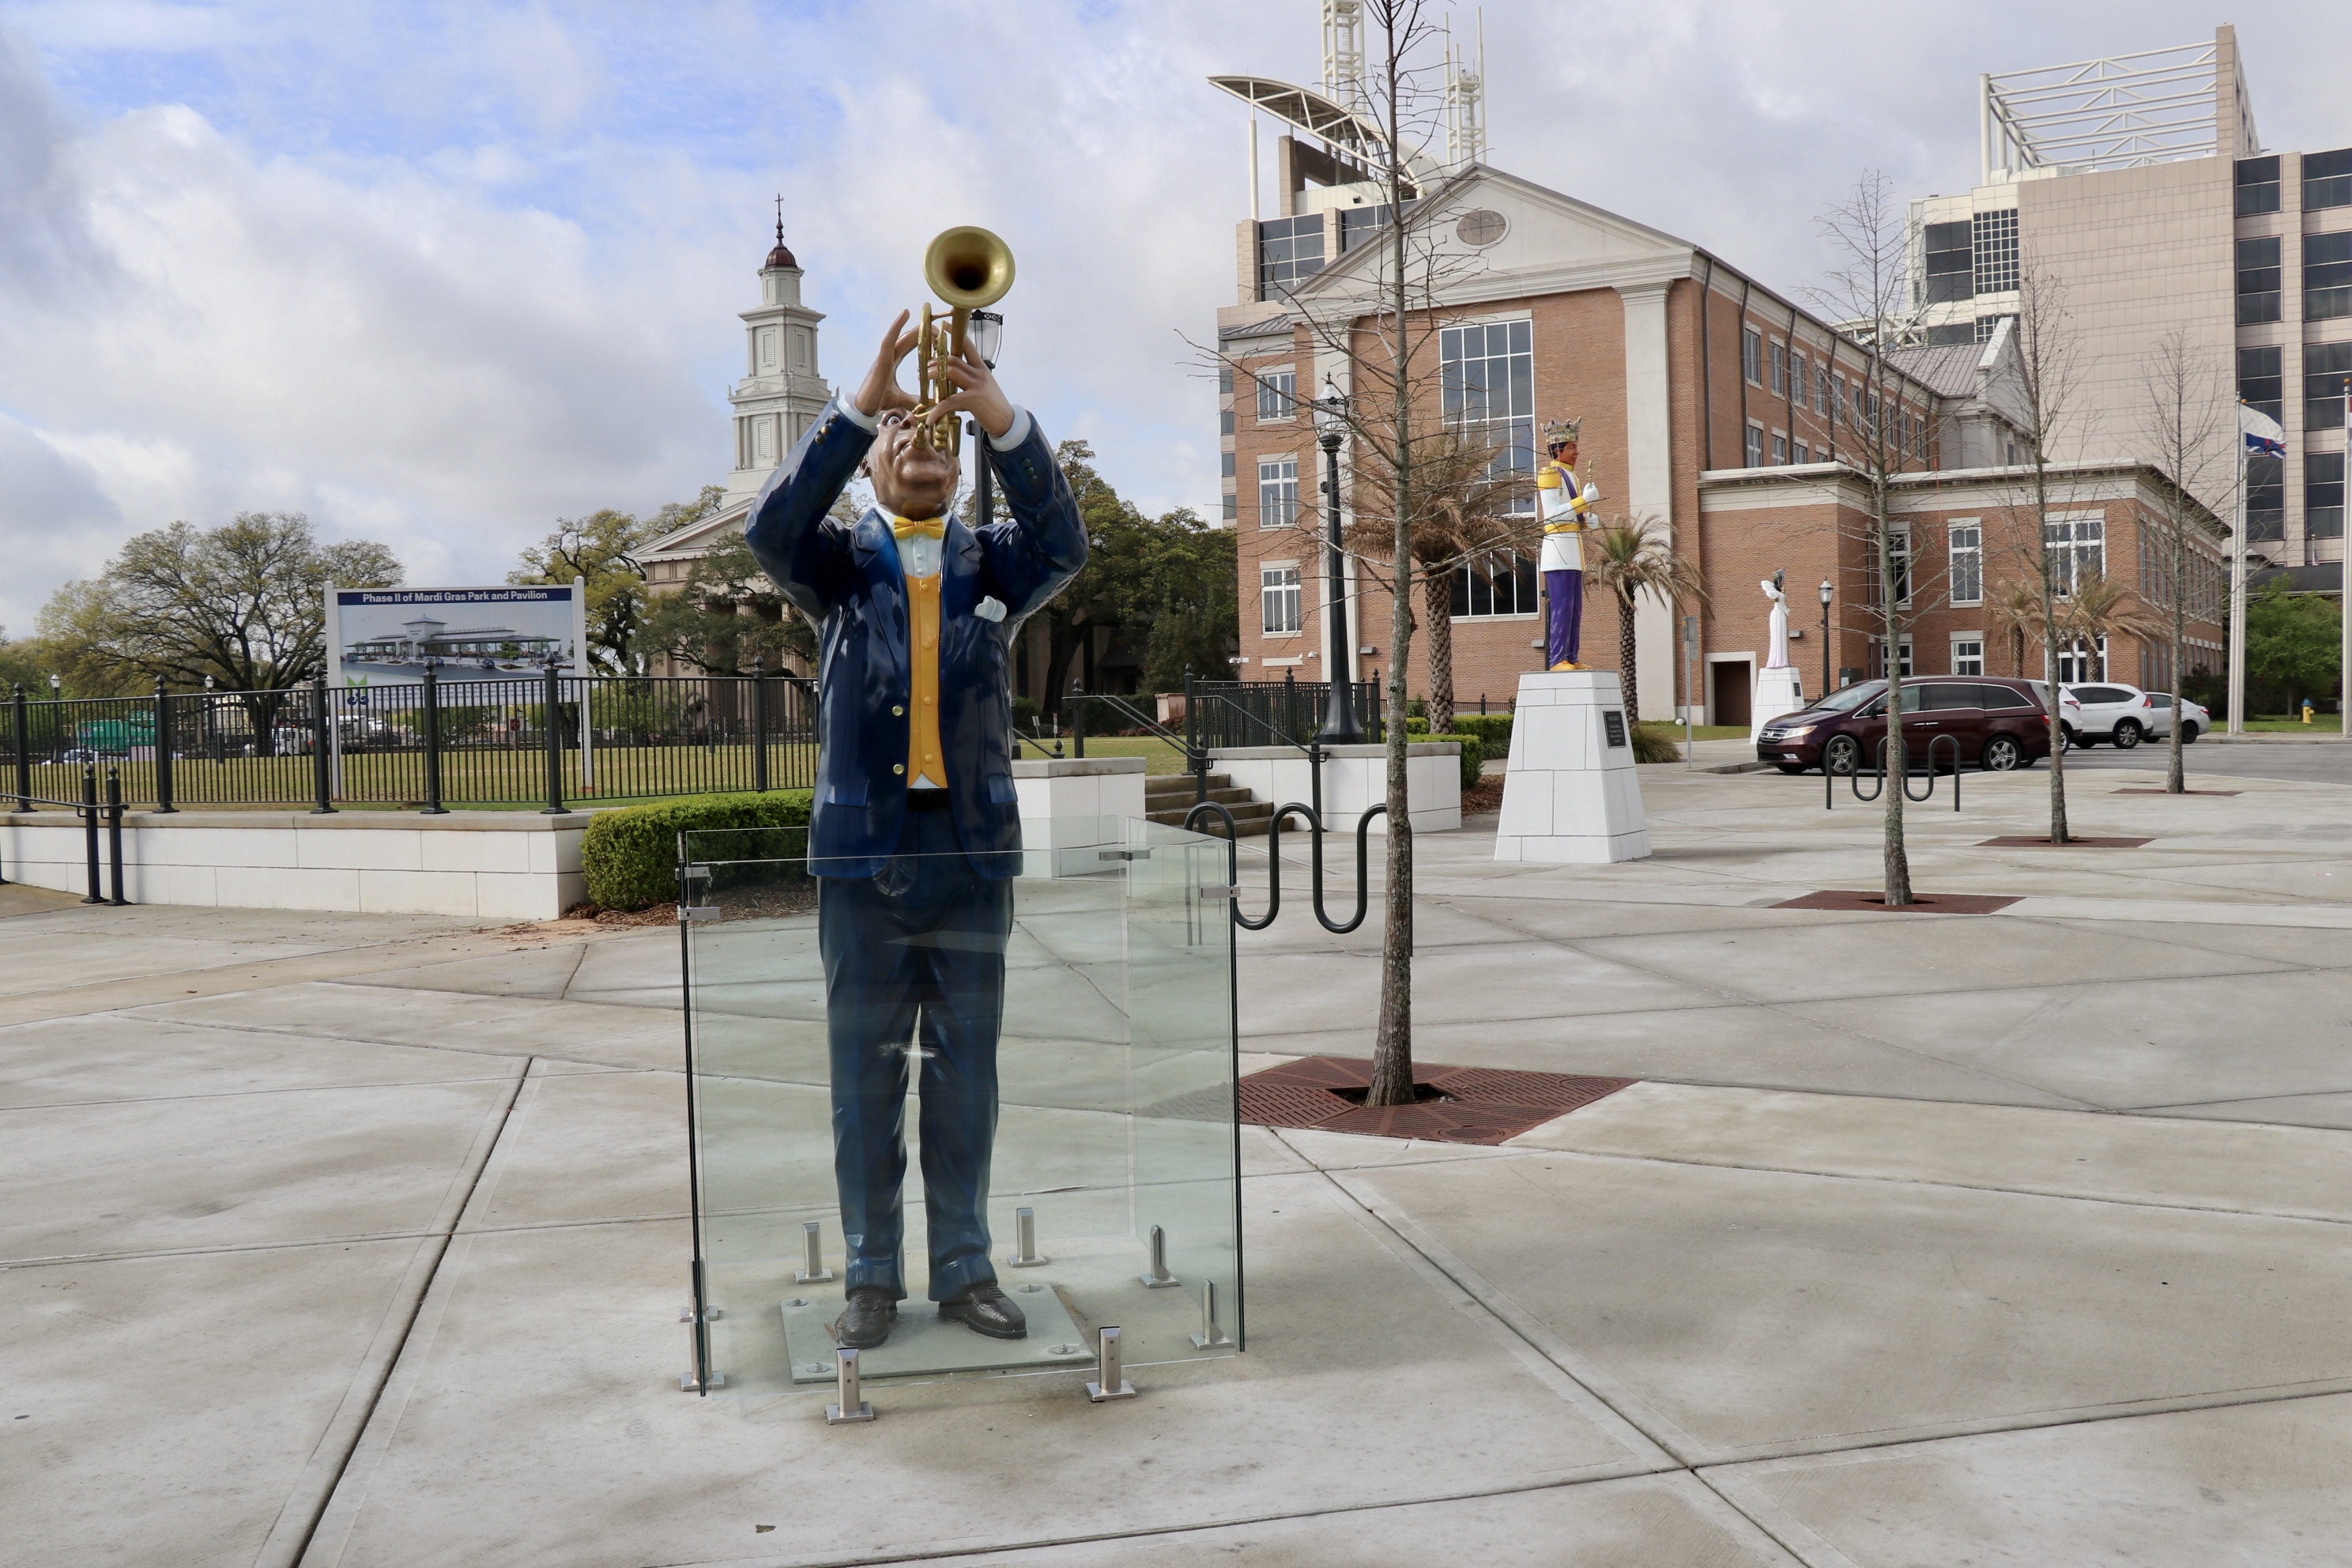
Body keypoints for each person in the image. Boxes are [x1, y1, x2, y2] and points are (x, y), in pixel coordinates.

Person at [744, 311, 1086, 1351]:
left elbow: (1065, 542)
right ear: (875, 462)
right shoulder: (838, 565)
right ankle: (869, 1276)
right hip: (864, 861)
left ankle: (966, 1269)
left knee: (965, 1076)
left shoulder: (997, 565)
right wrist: (857, 406)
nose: (925, 447)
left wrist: (1005, 421)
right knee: (865, 1077)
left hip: (971, 855)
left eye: (944, 439)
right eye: (907, 436)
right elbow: (770, 529)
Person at [1536, 420, 1600, 669]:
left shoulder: (1571, 476)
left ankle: (1571, 656)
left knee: (1574, 610)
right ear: (1558, 450)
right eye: (1572, 447)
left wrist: (1588, 520)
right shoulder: (1549, 474)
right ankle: (1557, 658)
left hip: (1573, 550)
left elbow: (1573, 514)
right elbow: (1553, 514)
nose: (1577, 452)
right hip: (1558, 549)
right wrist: (1584, 501)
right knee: (1562, 608)